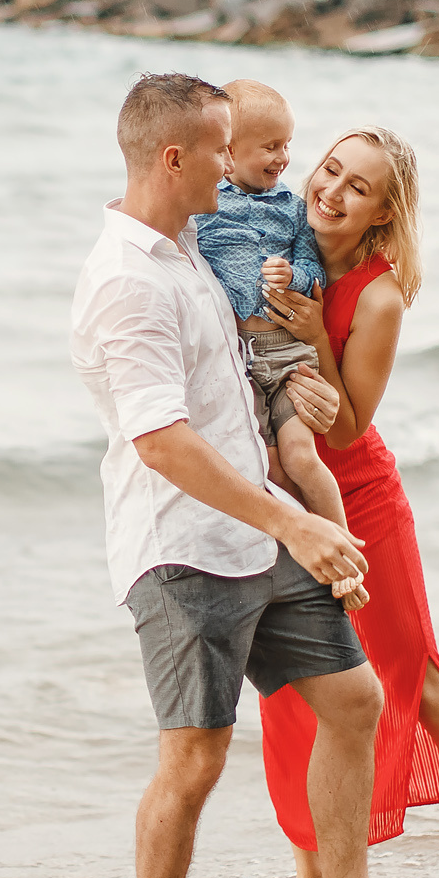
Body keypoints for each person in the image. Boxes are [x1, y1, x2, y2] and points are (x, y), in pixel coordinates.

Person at [70, 74, 439, 878]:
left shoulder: (192, 247)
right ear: (178, 157)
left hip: (261, 528)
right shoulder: (127, 280)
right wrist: (299, 517)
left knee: (354, 701)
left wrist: (309, 395)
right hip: (184, 548)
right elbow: (163, 441)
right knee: (196, 753)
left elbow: (252, 362)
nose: (245, 168)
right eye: (222, 148)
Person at [255, 126, 439, 878]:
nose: (332, 192)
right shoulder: (277, 234)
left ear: (384, 214)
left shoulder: (377, 297)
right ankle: (313, 872)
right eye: (330, 169)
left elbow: (344, 430)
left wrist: (313, 331)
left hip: (362, 500)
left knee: (417, 677)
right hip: (283, 500)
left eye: (358, 188)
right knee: (292, 689)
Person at [188, 80, 361, 610]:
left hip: (286, 357)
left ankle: (346, 557)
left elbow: (314, 269)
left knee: (302, 458)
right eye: (270, 147)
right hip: (238, 360)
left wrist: (295, 274)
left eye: (288, 145)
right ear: (229, 151)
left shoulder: (289, 209)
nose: (284, 158)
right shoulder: (203, 210)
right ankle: (280, 566)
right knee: (261, 464)